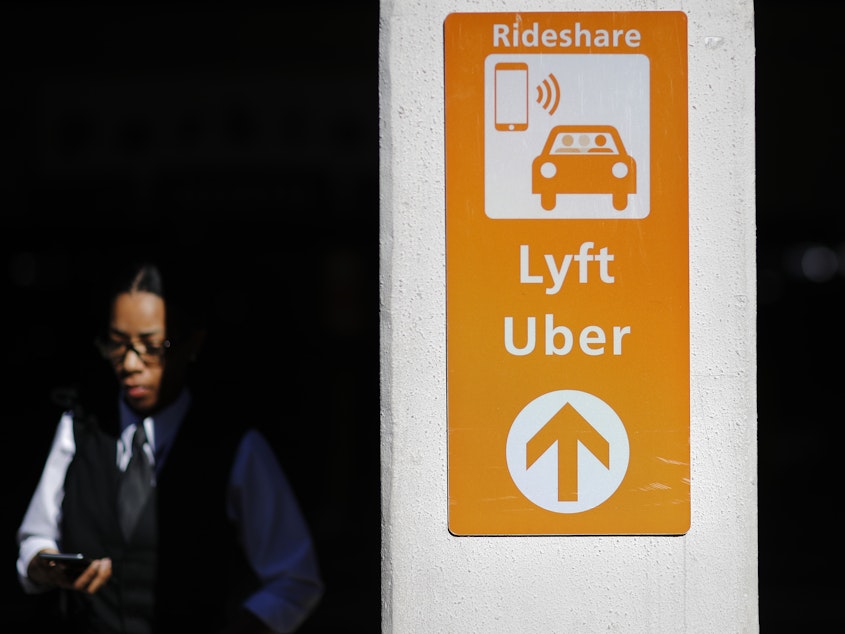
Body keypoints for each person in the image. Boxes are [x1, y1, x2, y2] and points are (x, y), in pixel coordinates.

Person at [16, 258, 324, 633]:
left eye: (151, 346)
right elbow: (35, 540)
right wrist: (47, 566)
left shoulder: (235, 447)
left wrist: (245, 625)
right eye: (117, 344)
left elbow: (295, 579)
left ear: (192, 344)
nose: (130, 363)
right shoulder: (80, 427)